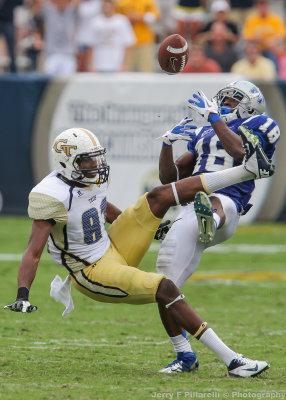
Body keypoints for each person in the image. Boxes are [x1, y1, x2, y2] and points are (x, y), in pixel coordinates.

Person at [4, 124, 273, 377]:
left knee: (158, 196)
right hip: (91, 271)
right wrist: (22, 294)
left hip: (112, 246)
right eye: (88, 160)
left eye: (97, 157)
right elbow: (33, 251)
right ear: (68, 163)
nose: (96, 165)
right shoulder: (50, 194)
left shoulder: (88, 179)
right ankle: (232, 361)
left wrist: (144, 225)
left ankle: (247, 170)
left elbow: (99, 205)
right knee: (165, 288)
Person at [156, 80, 280, 372]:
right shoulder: (202, 133)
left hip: (227, 206)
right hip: (190, 209)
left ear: (249, 105)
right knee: (162, 287)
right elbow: (170, 177)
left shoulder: (260, 123)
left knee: (213, 201)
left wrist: (214, 117)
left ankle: (209, 220)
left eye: (233, 100)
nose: (225, 104)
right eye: (222, 99)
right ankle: (188, 356)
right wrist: (166, 143)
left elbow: (242, 154)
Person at [86, 0, 135, 73]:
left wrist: (124, 65)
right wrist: (90, 64)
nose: (107, 8)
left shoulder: (122, 21)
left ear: (113, 6)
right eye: (105, 5)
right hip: (99, 65)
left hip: (116, 65)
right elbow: (91, 45)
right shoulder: (95, 21)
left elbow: (127, 45)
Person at [115, 0, 160, 72]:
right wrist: (127, 18)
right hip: (126, 45)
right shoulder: (121, 2)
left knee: (146, 72)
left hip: (144, 42)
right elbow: (114, 18)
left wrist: (139, 16)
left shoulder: (147, 1)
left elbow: (155, 17)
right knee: (125, 73)